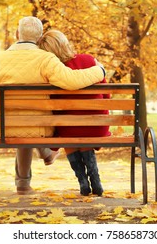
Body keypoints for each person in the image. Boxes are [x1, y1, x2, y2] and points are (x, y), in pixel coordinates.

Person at [0, 17, 106, 195]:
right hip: (38, 126)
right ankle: (45, 156)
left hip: (1, 126)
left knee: (20, 122)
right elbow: (71, 81)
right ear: (40, 37)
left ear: (17, 34)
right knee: (30, 123)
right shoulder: (46, 58)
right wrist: (99, 70)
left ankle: (24, 183)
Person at [38, 29, 110, 196]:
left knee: (70, 130)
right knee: (82, 129)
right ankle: (95, 180)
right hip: (97, 125)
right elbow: (106, 95)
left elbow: (53, 108)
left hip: (68, 128)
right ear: (64, 43)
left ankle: (83, 182)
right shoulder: (89, 60)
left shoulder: (53, 72)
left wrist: (54, 144)